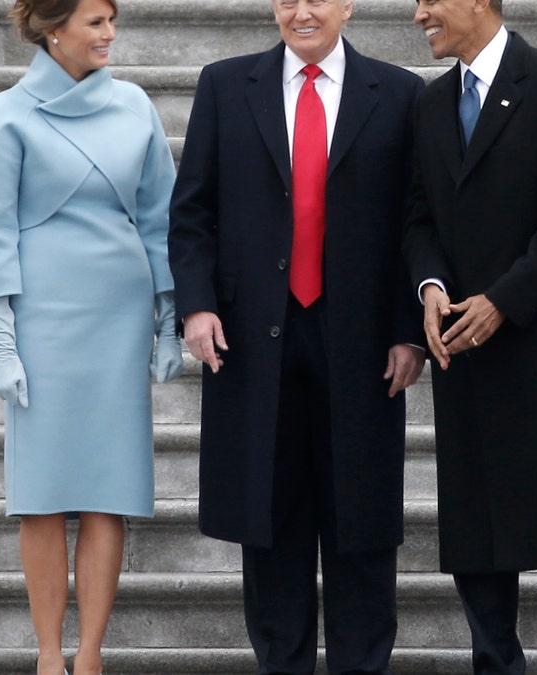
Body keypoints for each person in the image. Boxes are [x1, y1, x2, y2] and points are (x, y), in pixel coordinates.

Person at [167, 0, 425, 671]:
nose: (301, 12)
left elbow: (415, 220)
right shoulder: (225, 85)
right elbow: (192, 211)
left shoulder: (398, 92)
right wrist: (196, 308)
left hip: (364, 345)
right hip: (255, 341)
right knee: (271, 525)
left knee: (361, 526)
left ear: (347, 7)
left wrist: (409, 329)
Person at [402, 0, 537, 672]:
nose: (418, 16)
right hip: (466, 354)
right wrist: (432, 287)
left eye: (429, 0)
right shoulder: (430, 104)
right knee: (477, 538)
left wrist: (504, 300)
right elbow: (417, 218)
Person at [0, 1, 181, 674]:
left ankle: (89, 655)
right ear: (52, 27)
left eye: (112, 20)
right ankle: (47, 655)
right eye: (95, 22)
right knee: (42, 491)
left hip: (117, 320)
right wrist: (1, 343)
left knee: (107, 489)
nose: (109, 34)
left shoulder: (135, 107)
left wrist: (169, 318)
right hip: (43, 320)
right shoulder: (7, 115)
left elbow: (159, 219)